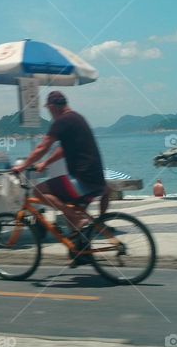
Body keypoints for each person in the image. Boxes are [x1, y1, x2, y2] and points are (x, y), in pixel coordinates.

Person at [11, 91, 107, 265]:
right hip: (95, 179)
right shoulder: (77, 118)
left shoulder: (62, 121)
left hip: (82, 180)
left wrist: (22, 166)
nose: (49, 112)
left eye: (48, 109)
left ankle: (73, 216)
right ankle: (82, 253)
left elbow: (43, 146)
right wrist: (45, 163)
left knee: (38, 191)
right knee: (72, 213)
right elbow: (63, 149)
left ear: (53, 107)